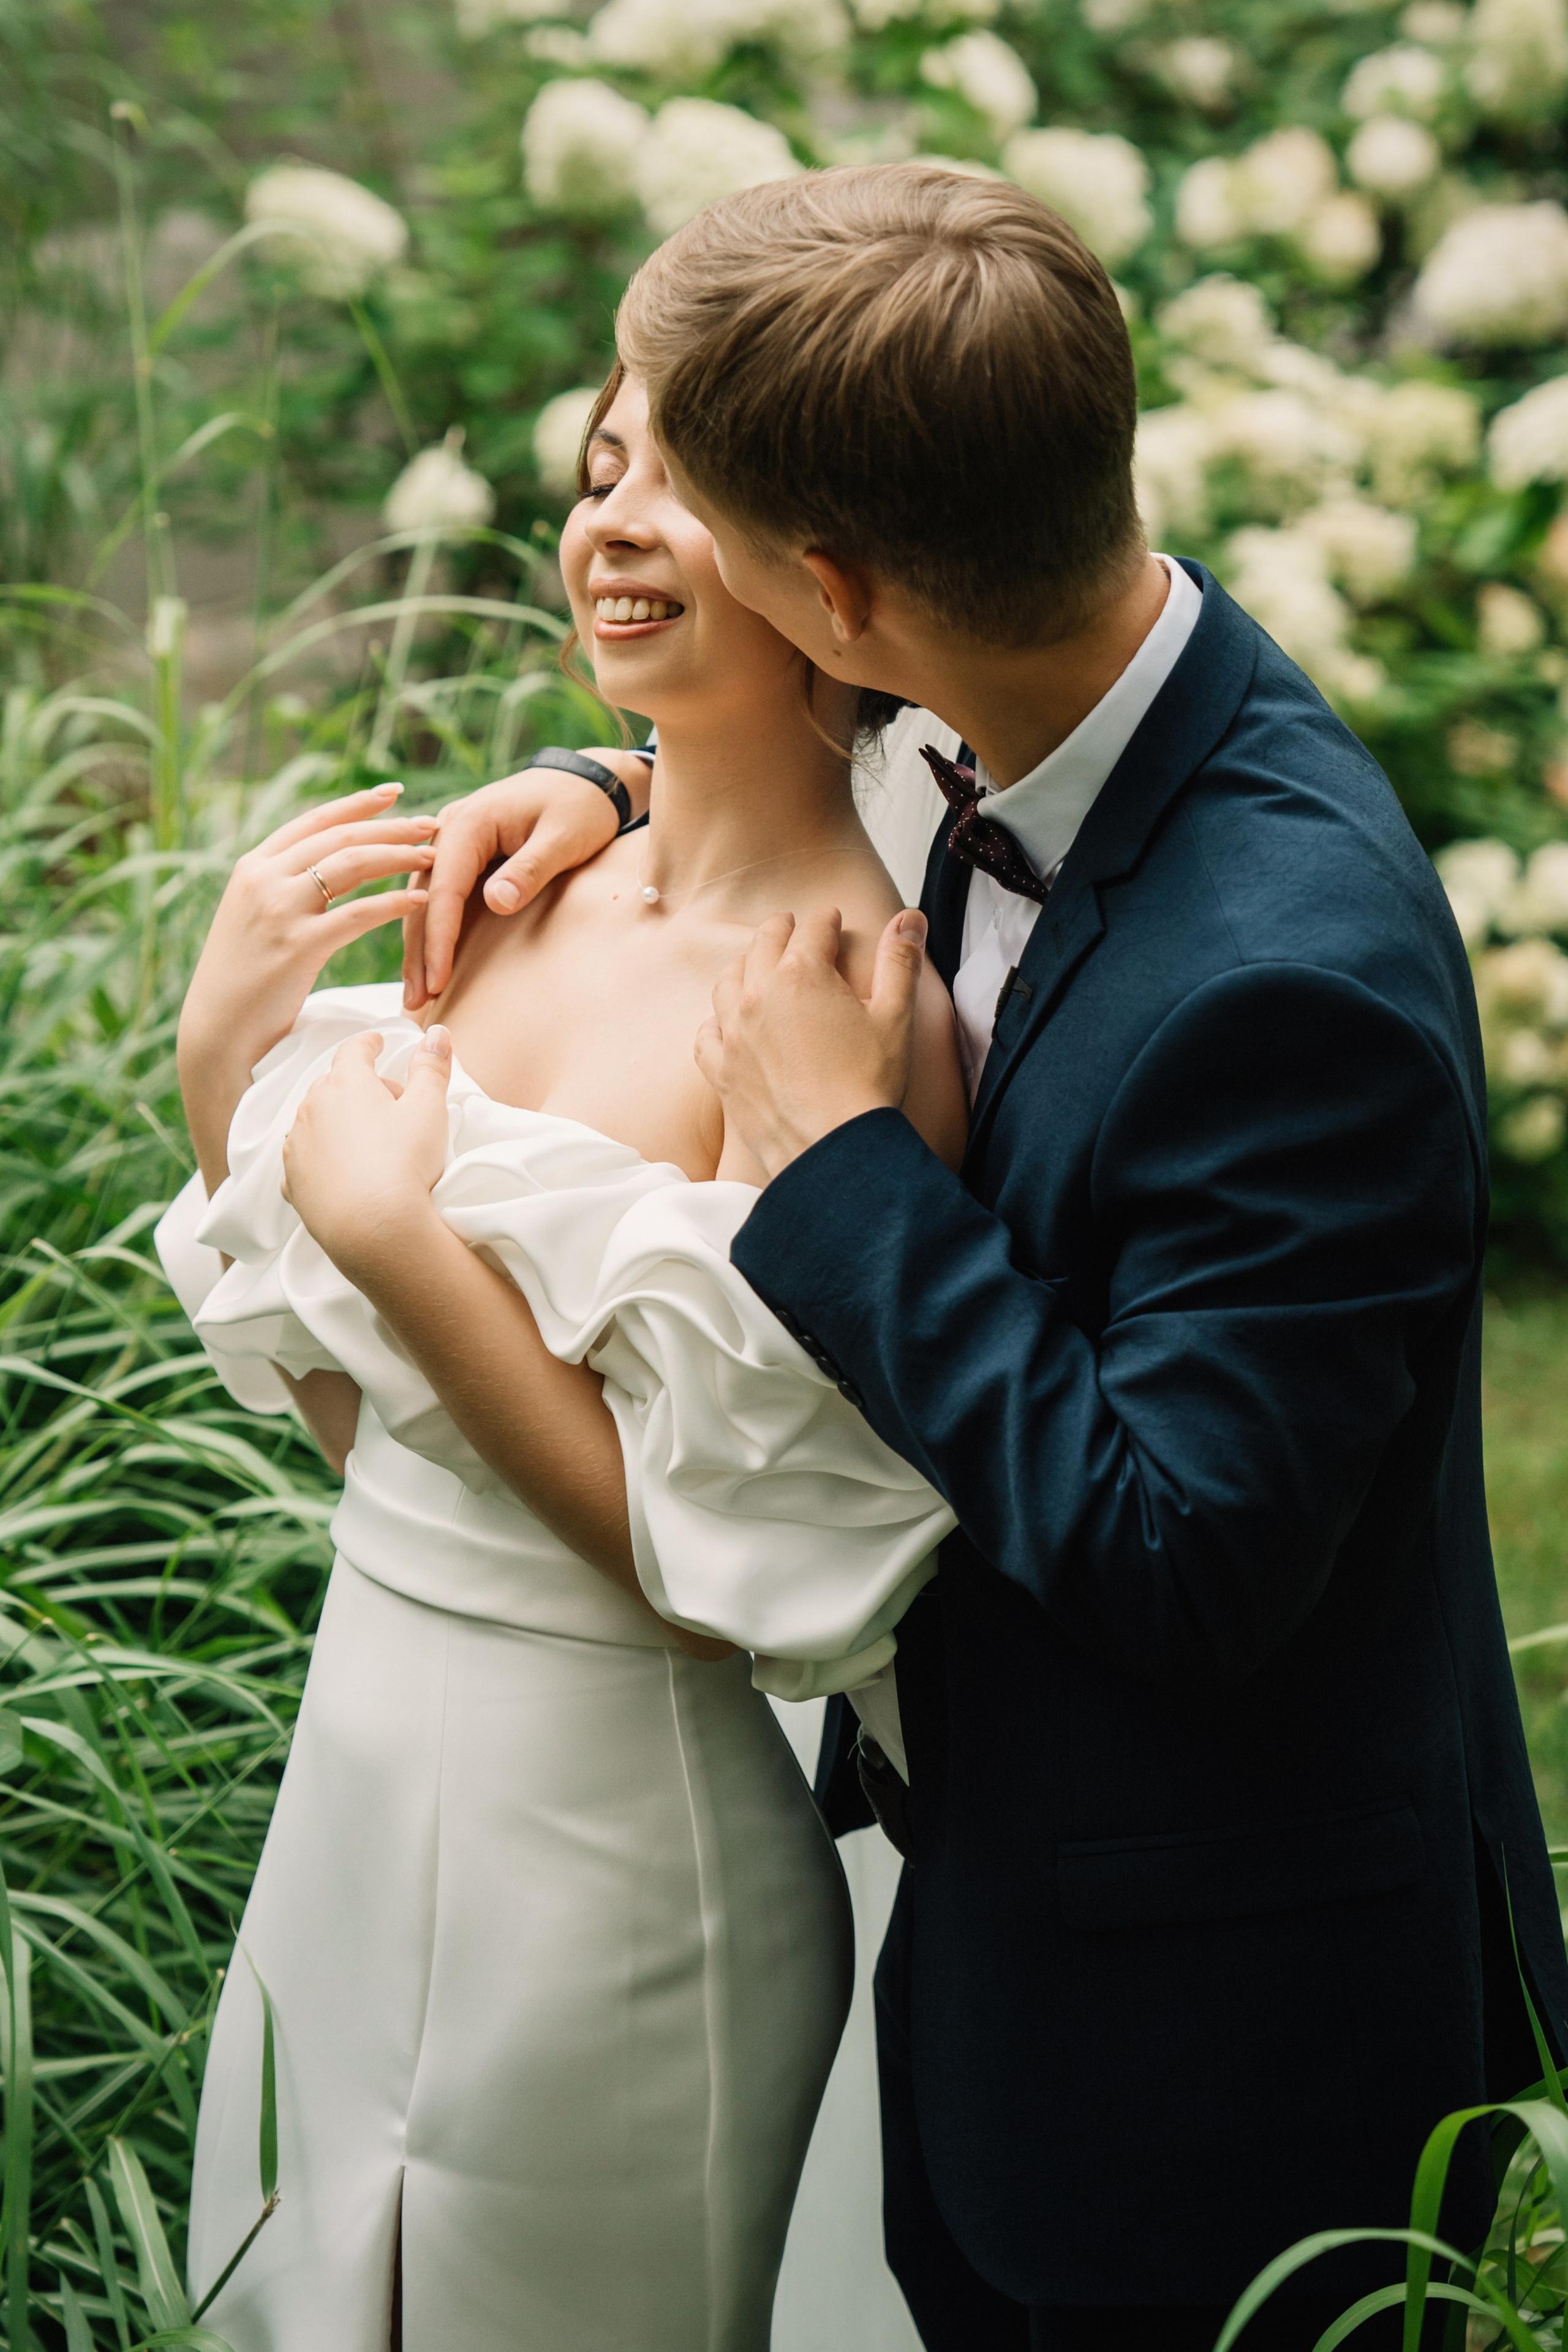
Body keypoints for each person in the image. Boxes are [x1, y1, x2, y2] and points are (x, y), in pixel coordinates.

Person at [413, 162, 1568, 2350]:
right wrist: (612, 788)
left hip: (1215, 2060)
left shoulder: (1282, 985)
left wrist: (847, 1166)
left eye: (725, 542)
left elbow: (1186, 1554)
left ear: (836, 593)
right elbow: (797, 751)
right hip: (993, 1921)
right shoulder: (1028, 661)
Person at [155, 359, 967, 2352]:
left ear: (829, 566)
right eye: (603, 471)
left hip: (612, 1855)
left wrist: (391, 1234)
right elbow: (388, 1440)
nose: (610, 519)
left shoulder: (850, 1007)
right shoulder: (515, 889)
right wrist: (217, 1067)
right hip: (355, 1776)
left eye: (682, 486)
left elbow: (721, 1595)